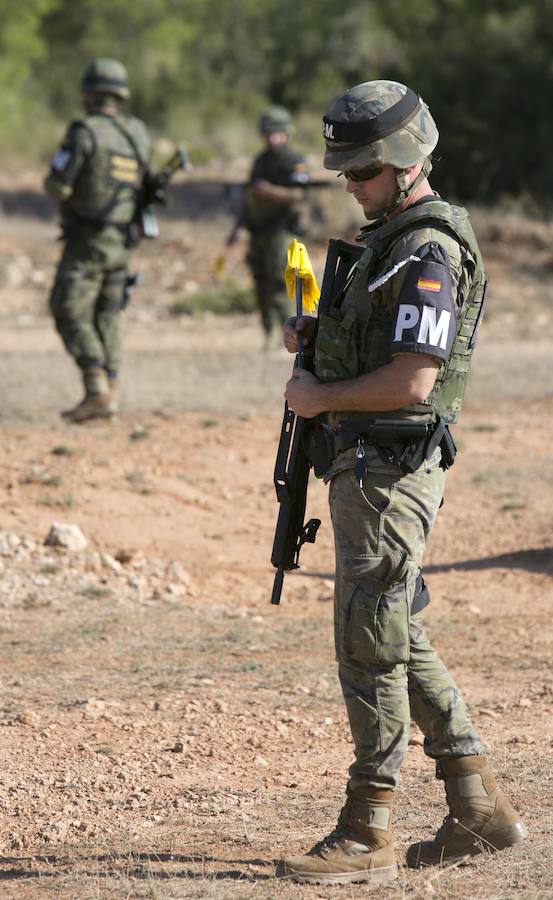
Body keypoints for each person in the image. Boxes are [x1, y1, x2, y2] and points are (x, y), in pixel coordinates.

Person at [279, 80, 527, 885]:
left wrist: (319, 395)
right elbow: (380, 347)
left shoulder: (426, 248)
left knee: (367, 642)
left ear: (405, 161)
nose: (349, 186)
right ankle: (477, 809)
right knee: (394, 631)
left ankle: (368, 828)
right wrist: (325, 337)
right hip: (366, 465)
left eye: (361, 173)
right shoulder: (388, 239)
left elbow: (414, 380)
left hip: (390, 470)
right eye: (344, 174)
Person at [44, 58, 153, 422]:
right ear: (119, 95)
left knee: (67, 307)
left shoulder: (85, 131)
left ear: (90, 94)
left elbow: (58, 185)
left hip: (89, 239)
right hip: (124, 238)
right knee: (107, 313)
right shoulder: (137, 133)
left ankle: (95, 389)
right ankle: (110, 391)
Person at [242, 106, 309, 343]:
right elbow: (249, 196)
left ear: (286, 133)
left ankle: (290, 335)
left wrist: (270, 191)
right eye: (268, 133)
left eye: (276, 133)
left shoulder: (293, 159)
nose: (272, 138)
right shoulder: (261, 161)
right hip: (258, 232)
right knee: (261, 283)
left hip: (281, 230)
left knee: (281, 282)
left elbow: (299, 195)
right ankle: (268, 333)